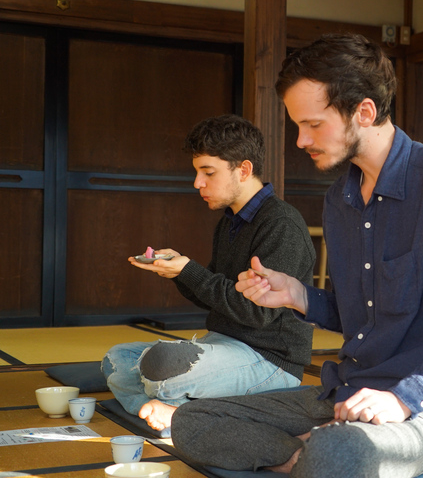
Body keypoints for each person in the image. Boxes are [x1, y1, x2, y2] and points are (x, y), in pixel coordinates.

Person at [170, 34, 423, 477]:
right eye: (298, 125)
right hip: (348, 394)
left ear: (364, 112)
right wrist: (297, 294)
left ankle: (316, 452)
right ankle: (301, 456)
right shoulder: (340, 199)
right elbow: (361, 316)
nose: (300, 140)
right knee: (193, 419)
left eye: (313, 124)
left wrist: (401, 399)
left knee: (340, 453)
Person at [102, 114, 316, 435]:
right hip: (223, 345)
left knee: (159, 363)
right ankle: (176, 412)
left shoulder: (281, 225)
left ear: (243, 170)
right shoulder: (230, 221)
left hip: (268, 360)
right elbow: (217, 294)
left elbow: (257, 313)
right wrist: (177, 270)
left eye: (208, 172)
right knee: (116, 358)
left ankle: (180, 411)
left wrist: (188, 270)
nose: (197, 183)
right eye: (197, 172)